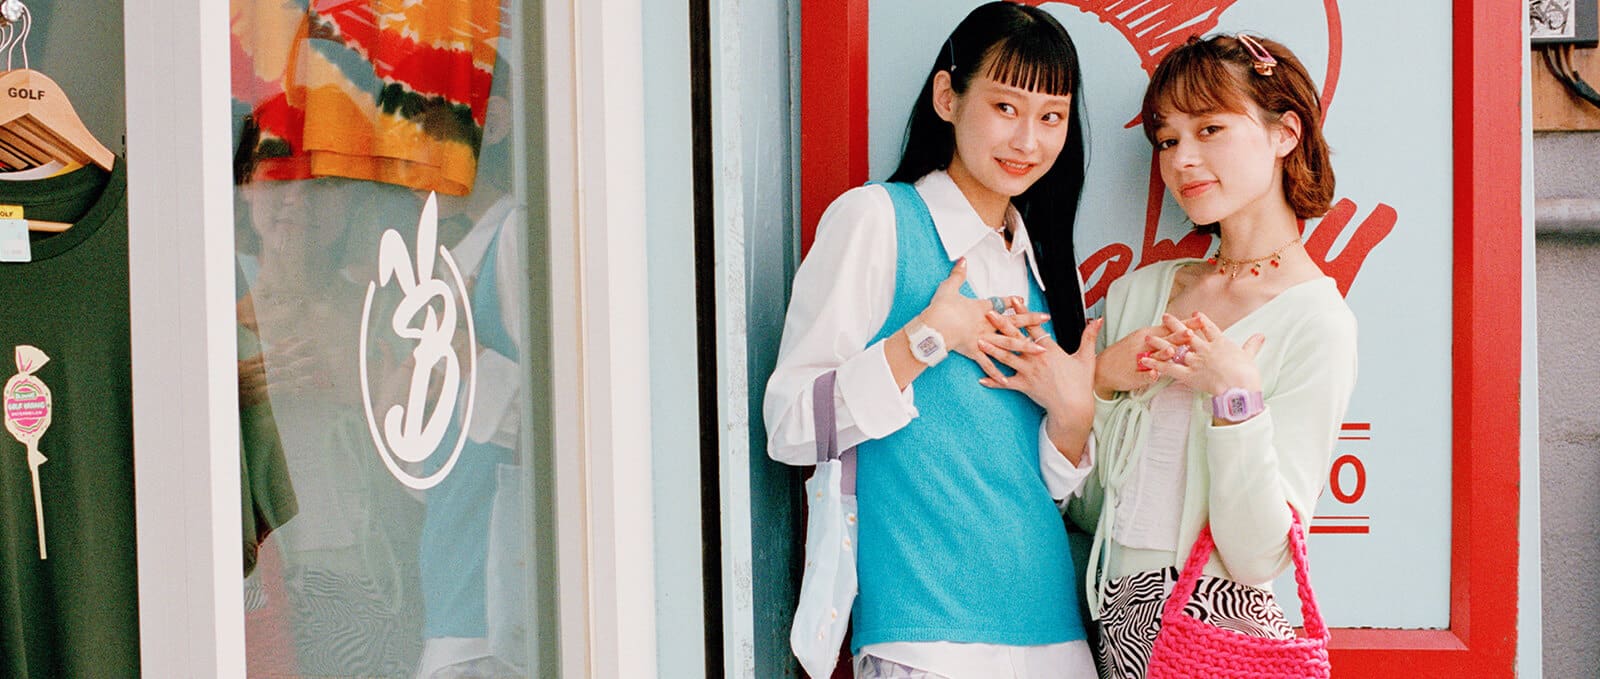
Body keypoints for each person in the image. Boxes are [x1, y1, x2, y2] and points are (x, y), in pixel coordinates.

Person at [764, 3, 1101, 677]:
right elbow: (791, 425)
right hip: (923, 637)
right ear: (948, 97)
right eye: (1005, 107)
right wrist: (926, 339)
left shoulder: (1038, 264)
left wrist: (1073, 418)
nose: (1028, 140)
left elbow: (1032, 489)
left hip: (1054, 639)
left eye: (1051, 117)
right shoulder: (877, 220)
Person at [1061, 34, 1358, 679]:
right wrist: (1101, 384)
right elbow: (1088, 510)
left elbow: (1257, 556)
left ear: (1285, 133)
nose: (1182, 159)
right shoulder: (1138, 296)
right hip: (1108, 624)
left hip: (1216, 634)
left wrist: (1236, 400)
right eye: (1167, 140)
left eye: (1210, 129)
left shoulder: (1317, 321)